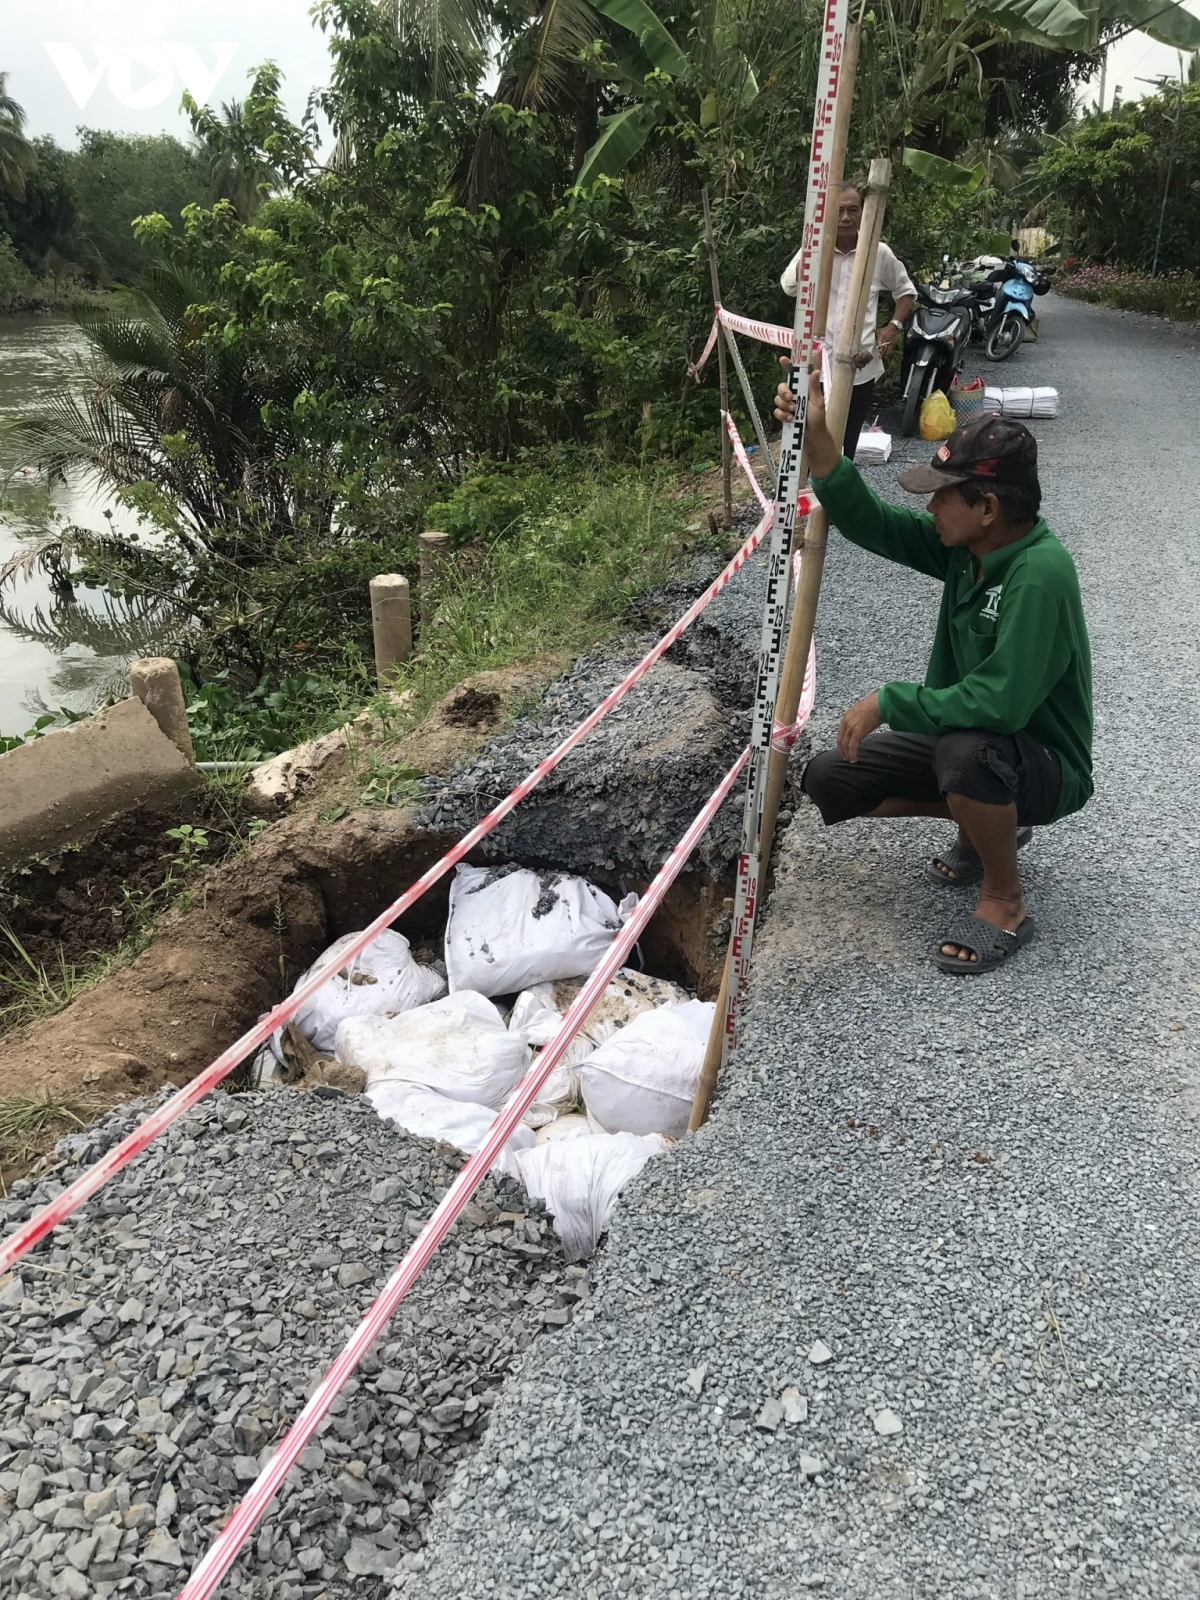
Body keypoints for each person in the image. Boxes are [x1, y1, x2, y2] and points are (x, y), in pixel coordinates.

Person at [773, 365, 1093, 973]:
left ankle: (1004, 898)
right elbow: (874, 523)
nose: (932, 505)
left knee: (967, 757)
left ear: (989, 507)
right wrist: (817, 434)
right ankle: (989, 822)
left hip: (1046, 762)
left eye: (946, 493)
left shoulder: (1039, 573)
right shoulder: (969, 550)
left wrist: (890, 701)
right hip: (974, 745)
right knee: (833, 778)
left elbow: (1001, 706)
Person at [780, 184, 916, 460]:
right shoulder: (814, 249)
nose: (845, 217)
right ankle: (804, 495)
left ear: (864, 214)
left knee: (846, 444)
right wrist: (812, 253)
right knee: (806, 439)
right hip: (815, 364)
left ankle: (838, 498)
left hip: (858, 367)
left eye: (852, 210)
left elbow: (906, 292)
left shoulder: (878, 253)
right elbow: (789, 286)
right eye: (838, 210)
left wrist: (893, 326)